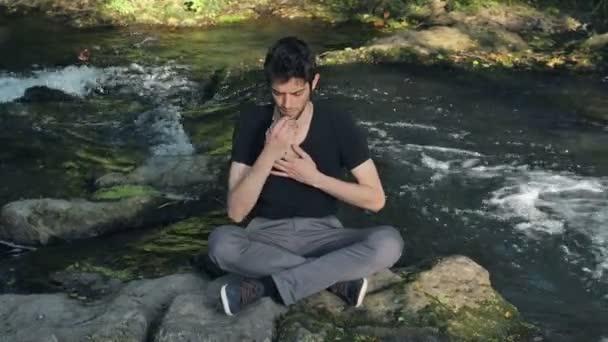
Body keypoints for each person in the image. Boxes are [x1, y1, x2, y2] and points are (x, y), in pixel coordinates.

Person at [207, 36, 404, 316]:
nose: (287, 103)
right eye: (278, 93)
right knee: (220, 243)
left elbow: (375, 200)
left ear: (314, 83)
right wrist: (269, 153)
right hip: (265, 238)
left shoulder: (338, 122)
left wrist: (314, 177)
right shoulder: (251, 121)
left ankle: (266, 287)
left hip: (325, 236)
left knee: (389, 242)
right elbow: (237, 213)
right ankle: (333, 280)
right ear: (269, 87)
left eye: (297, 93)